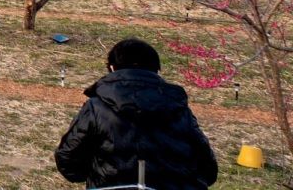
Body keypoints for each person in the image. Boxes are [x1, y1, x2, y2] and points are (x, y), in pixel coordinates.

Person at [54, 38, 217, 190]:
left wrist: (96, 174)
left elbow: (68, 159)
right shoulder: (179, 108)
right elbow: (208, 168)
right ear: (158, 71)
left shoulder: (96, 107)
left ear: (112, 68)